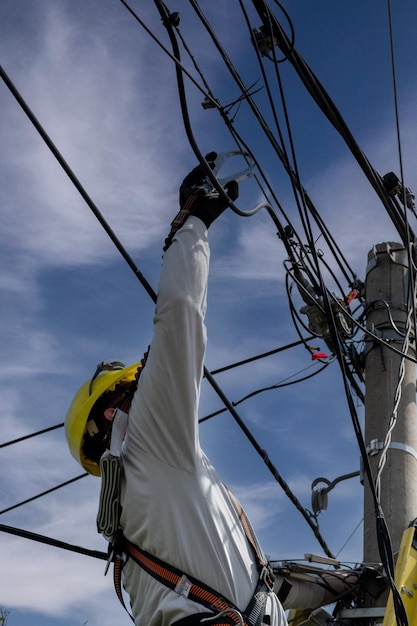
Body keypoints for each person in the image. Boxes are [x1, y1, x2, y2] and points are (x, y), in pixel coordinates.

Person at [65, 154, 369, 626]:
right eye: (131, 390)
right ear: (111, 416)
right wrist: (191, 223)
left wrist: (347, 583)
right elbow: (179, 318)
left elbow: (264, 585)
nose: (145, 391)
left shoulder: (151, 513)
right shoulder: (145, 443)